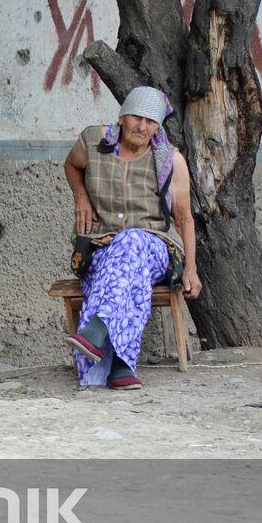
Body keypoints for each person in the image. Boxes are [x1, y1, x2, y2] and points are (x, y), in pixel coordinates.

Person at [63, 85, 202, 390]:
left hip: (154, 247)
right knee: (125, 266)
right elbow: (71, 165)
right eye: (136, 117)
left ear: (158, 126)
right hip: (103, 248)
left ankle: (96, 331)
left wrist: (190, 268)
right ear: (123, 117)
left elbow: (183, 218)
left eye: (151, 121)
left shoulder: (170, 160)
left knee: (132, 241)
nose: (142, 126)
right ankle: (122, 367)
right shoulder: (92, 140)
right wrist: (81, 196)